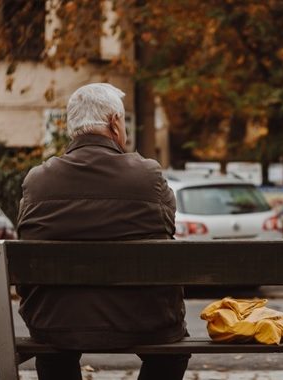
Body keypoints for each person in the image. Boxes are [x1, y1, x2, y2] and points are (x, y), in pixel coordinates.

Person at [16, 83, 189, 380]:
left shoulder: (38, 181)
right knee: (172, 350)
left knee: (52, 348)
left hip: (56, 323)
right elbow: (166, 227)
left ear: (73, 128)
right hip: (143, 320)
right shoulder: (147, 176)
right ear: (113, 122)